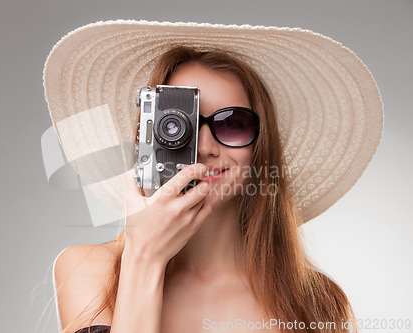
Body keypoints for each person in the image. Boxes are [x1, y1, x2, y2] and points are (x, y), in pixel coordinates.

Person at [43, 20, 383, 333]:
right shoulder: (87, 271)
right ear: (148, 138)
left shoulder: (317, 303)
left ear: (260, 145)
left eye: (232, 124)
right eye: (179, 128)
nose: (205, 147)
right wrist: (144, 257)